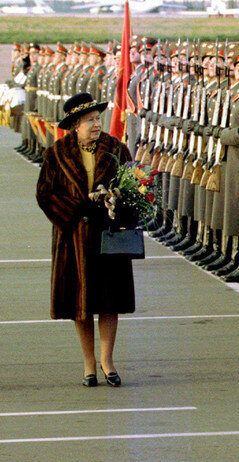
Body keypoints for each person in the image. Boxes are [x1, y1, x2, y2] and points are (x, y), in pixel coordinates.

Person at [35, 92, 134, 388]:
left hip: (108, 235)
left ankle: (108, 361)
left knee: (109, 300)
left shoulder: (116, 149)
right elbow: (45, 194)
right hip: (73, 238)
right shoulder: (56, 153)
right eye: (90, 120)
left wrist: (117, 207)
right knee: (80, 304)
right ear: (75, 125)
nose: (96, 124)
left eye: (98, 118)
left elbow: (133, 186)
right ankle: (88, 365)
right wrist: (75, 210)